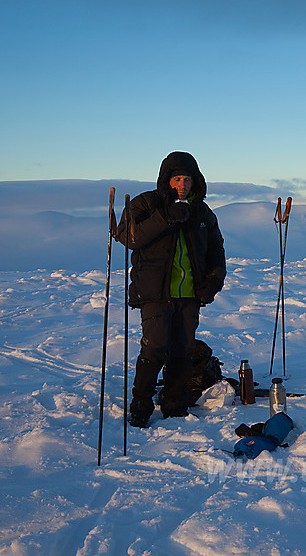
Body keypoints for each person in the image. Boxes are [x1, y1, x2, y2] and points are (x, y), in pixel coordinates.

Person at [117, 151, 226, 427]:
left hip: (189, 294)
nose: (182, 185)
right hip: (154, 293)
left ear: (195, 182)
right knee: (155, 349)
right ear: (166, 180)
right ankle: (141, 405)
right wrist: (166, 217)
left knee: (183, 351)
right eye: (177, 178)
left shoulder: (201, 212)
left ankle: (174, 404)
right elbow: (127, 236)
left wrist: (213, 282)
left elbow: (216, 250)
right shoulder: (148, 203)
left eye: (187, 179)